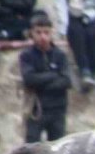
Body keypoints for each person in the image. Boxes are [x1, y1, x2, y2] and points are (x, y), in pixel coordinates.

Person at [20, 13, 71, 143]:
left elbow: (66, 81)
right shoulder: (27, 55)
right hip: (37, 109)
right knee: (31, 146)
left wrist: (41, 82)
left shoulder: (60, 55)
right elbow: (29, 79)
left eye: (46, 32)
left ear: (51, 33)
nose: (43, 37)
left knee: (58, 147)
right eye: (38, 32)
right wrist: (53, 75)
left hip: (57, 109)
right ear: (32, 33)